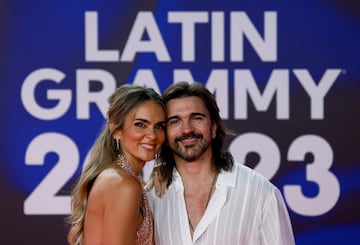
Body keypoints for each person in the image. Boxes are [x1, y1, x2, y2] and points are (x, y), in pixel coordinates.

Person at [148, 81, 295, 245]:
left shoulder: (261, 193)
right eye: (174, 121)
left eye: (196, 118)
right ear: (164, 134)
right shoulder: (150, 196)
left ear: (213, 127)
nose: (187, 129)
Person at [67, 84, 166, 245]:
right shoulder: (123, 184)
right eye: (141, 124)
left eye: (159, 127)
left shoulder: (120, 177)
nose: (152, 135)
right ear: (116, 130)